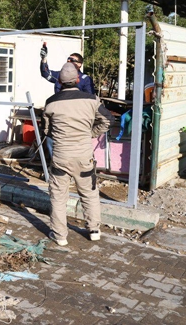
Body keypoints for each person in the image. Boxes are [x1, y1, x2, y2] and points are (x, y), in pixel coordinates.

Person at [42, 62, 113, 246]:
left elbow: (47, 130)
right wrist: (90, 133)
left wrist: (61, 136)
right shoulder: (92, 100)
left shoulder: (51, 102)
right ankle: (94, 230)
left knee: (58, 196)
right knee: (89, 193)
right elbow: (108, 120)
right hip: (84, 156)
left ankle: (60, 236)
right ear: (78, 79)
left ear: (59, 81)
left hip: (61, 157)